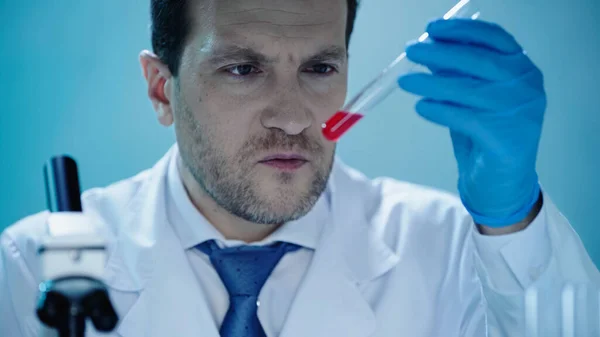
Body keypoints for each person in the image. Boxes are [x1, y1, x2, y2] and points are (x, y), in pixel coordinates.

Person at [1, 0, 599, 336]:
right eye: (242, 69)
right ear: (162, 89)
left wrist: (514, 221)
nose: (292, 119)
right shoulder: (26, 273)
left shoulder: (444, 249)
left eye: (318, 69)